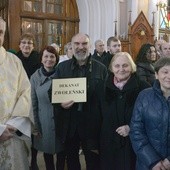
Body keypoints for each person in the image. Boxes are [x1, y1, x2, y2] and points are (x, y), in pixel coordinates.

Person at [53, 33, 108, 170]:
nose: (80, 47)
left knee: (93, 162)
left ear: (89, 46)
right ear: (71, 46)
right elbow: (52, 92)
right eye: (76, 44)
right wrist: (60, 103)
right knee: (71, 161)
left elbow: (107, 97)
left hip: (92, 125)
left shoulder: (101, 69)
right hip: (69, 123)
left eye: (84, 44)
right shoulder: (62, 67)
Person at [100, 52, 150, 170]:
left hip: (134, 144)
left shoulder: (144, 87)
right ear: (112, 68)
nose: (121, 69)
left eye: (125, 65)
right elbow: (96, 117)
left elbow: (149, 117)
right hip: (109, 143)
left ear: (132, 67)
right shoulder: (101, 88)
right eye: (117, 66)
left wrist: (131, 128)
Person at [0, 17, 32, 170]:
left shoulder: (14, 62)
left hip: (11, 134)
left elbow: (25, 94)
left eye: (0, 32)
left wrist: (11, 126)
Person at [130, 57, 170, 170]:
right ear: (156, 75)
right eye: (165, 72)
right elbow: (136, 130)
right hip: (147, 164)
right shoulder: (144, 96)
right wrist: (153, 161)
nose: (169, 76)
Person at [30, 46, 65, 170]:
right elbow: (33, 104)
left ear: (56, 59)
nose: (49, 59)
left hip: (61, 121)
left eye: (52, 56)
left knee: (62, 154)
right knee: (47, 153)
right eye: (46, 56)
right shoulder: (34, 77)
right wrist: (35, 126)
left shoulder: (63, 74)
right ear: (41, 59)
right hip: (43, 121)